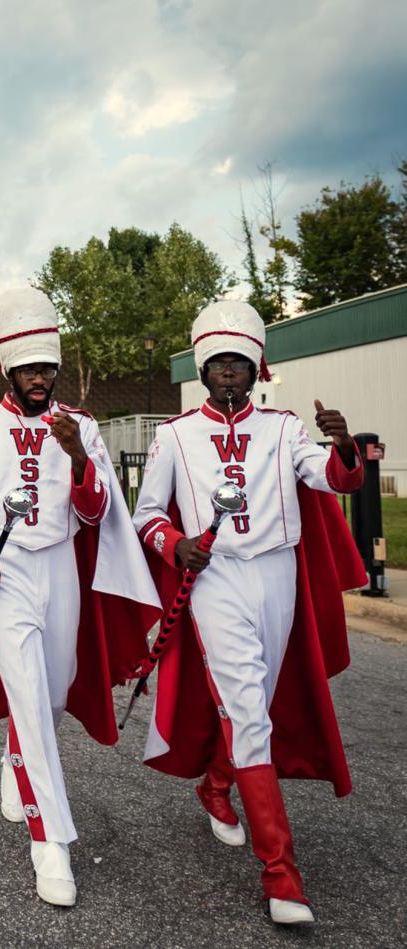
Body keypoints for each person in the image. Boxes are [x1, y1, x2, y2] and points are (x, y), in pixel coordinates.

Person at [131, 301, 365, 926]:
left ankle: (215, 781)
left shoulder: (286, 428)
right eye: (218, 363)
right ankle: (282, 874)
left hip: (277, 573)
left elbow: (332, 480)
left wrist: (343, 448)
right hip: (214, 579)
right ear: (205, 371)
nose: (229, 372)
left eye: (239, 361)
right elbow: (146, 514)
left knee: (253, 705)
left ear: (257, 368)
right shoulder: (174, 435)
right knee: (244, 707)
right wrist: (173, 544)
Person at [0, 288, 160, 907]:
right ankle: (51, 844)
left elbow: (94, 514)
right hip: (3, 580)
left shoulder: (81, 426)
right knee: (30, 701)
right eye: (28, 369)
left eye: (47, 368)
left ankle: (15, 759)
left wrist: (79, 457)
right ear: (8, 369)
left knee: (53, 693)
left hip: (62, 570)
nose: (39, 379)